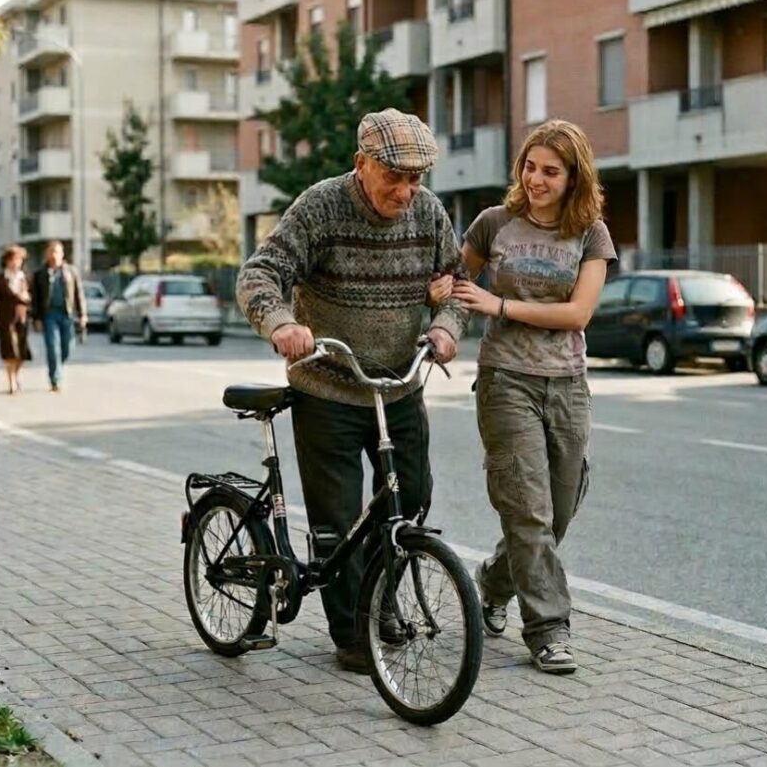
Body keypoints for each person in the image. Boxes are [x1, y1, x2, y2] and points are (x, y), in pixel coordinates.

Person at [236, 108, 468, 674]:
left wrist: (445, 325)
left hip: (399, 386)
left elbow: (458, 287)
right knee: (337, 520)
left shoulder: (429, 213)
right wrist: (282, 324)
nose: (408, 190)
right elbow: (258, 274)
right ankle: (351, 636)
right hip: (330, 388)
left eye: (417, 178)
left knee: (408, 501)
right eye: (395, 176)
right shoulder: (320, 207)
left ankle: (379, 603)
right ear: (361, 164)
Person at [432, 119, 616, 674]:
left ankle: (491, 582)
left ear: (573, 177)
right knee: (528, 511)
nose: (536, 179)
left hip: (567, 385)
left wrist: (500, 306)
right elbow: (451, 284)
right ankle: (549, 630)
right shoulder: (495, 224)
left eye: (551, 171)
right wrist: (445, 296)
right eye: (530, 167)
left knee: (558, 511)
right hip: (505, 381)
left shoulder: (591, 234)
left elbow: (578, 313)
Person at [31, 240, 87, 392]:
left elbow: (78, 294)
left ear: (62, 254)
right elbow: (35, 298)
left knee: (67, 347)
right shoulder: (40, 274)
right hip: (49, 315)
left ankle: (57, 366)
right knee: (52, 347)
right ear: (47, 254)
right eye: (51, 252)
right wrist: (36, 318)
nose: (54, 255)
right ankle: (55, 379)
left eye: (57, 252)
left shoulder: (71, 271)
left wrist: (82, 314)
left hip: (67, 314)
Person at [0, 245, 33, 394]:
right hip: (5, 319)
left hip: (22, 318)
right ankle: (11, 382)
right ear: (6, 261)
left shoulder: (25, 277)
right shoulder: (0, 278)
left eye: (18, 260)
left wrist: (28, 300)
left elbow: (33, 298)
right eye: (12, 260)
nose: (15, 263)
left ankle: (16, 375)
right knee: (10, 351)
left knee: (22, 353)